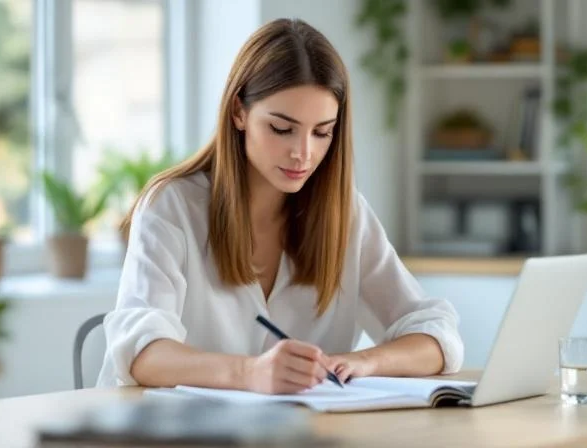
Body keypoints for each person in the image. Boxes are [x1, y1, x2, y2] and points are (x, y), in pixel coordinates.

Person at [96, 18, 464, 394]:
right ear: (239, 111)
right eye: (282, 128)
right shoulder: (171, 207)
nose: (303, 153)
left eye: (322, 132)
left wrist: (364, 361)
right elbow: (141, 352)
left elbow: (435, 333)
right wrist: (250, 373)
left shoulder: (345, 214)